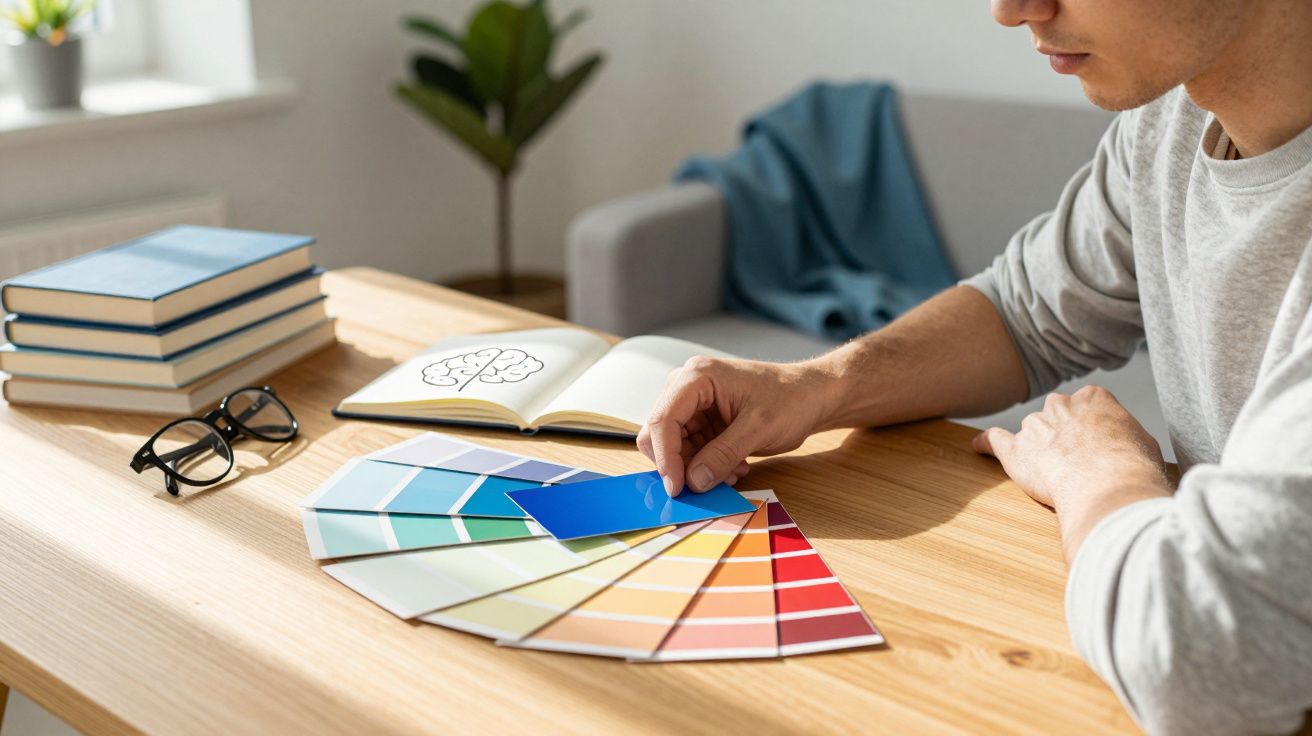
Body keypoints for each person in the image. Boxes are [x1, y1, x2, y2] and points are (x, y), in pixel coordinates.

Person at [637, 0, 1312, 733]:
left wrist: (1104, 473)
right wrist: (815, 386)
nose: (1011, 10)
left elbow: (1202, 662)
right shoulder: (1169, 122)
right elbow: (1025, 312)